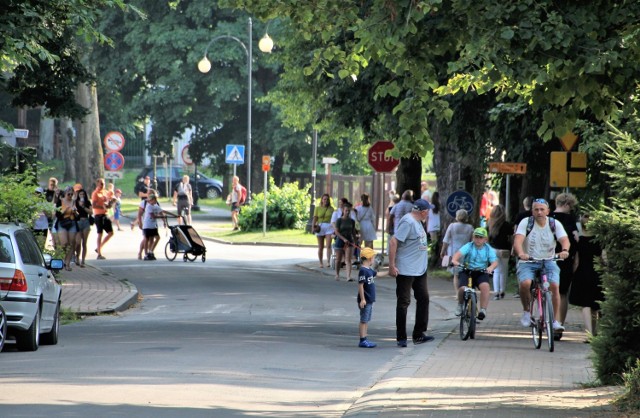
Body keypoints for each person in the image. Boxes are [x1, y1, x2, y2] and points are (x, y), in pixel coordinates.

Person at [512, 198, 570, 331]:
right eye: (536, 209)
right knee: (525, 283)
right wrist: (521, 253)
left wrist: (565, 250)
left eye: (542, 209)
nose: (539, 212)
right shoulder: (526, 222)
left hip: (549, 260)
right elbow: (518, 241)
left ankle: (554, 320)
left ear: (548, 211)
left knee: (555, 286)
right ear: (532, 211)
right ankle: (527, 312)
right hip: (528, 261)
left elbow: (564, 239)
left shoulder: (554, 223)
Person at [388, 198, 435, 347]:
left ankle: (419, 334)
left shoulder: (419, 222)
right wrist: (391, 265)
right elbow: (393, 242)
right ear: (423, 211)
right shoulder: (408, 222)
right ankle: (401, 337)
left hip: (419, 270)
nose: (428, 214)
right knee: (404, 302)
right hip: (406, 269)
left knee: (423, 299)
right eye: (428, 211)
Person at [569, 213, 605, 341]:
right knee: (595, 305)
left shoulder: (580, 240)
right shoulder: (599, 240)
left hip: (582, 272)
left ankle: (589, 333)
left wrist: (572, 274)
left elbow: (576, 261)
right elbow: (603, 259)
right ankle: (595, 332)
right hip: (597, 272)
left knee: (585, 304)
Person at [451, 227, 498, 320]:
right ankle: (460, 305)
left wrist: (490, 268)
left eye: (481, 237)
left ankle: (483, 310)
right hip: (467, 271)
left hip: (481, 271)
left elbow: (495, 262)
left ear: (485, 239)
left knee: (485, 287)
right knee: (462, 288)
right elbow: (456, 257)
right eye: (476, 237)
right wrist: (456, 262)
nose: (478, 239)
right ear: (473, 238)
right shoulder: (469, 246)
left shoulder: (488, 249)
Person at [551, 192, 580, 330]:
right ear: (567, 204)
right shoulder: (570, 219)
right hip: (566, 258)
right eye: (571, 206)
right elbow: (576, 239)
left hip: (547, 257)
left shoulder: (547, 217)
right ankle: (559, 324)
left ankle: (548, 319)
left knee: (549, 290)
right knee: (562, 293)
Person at [440, 209, 474, 291]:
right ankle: (465, 290)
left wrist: (442, 251)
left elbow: (446, 240)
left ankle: (458, 293)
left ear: (457, 216)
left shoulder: (452, 226)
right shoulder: (470, 228)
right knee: (465, 272)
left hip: (454, 252)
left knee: (456, 275)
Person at [488, 204, 512, 300]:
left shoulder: (490, 224)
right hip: (505, 250)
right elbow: (510, 238)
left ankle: (496, 292)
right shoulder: (507, 225)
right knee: (503, 271)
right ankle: (502, 290)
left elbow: (487, 239)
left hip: (494, 249)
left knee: (496, 271)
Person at [357, 247, 377, 348]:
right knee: (363, 320)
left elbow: (377, 275)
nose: (374, 259)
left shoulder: (369, 270)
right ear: (369, 258)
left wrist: (390, 272)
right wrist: (363, 299)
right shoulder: (363, 271)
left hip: (369, 300)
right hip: (366, 300)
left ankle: (365, 338)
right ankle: (362, 339)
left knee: (366, 320)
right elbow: (360, 285)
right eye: (373, 257)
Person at [56, 186, 78, 270]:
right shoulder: (60, 201)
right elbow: (58, 215)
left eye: (71, 193)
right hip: (62, 223)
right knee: (64, 243)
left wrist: (75, 212)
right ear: (65, 193)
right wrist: (66, 210)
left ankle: (67, 263)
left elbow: (77, 216)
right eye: (68, 193)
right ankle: (64, 258)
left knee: (71, 243)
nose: (70, 195)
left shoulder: (74, 202)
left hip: (72, 223)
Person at [91, 178, 114, 260]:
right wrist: (102, 206)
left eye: (103, 183)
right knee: (100, 233)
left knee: (111, 233)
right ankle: (99, 254)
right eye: (101, 183)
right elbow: (93, 205)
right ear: (97, 184)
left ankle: (99, 247)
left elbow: (108, 203)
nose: (102, 185)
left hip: (105, 214)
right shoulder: (95, 193)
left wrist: (111, 203)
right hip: (98, 215)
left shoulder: (105, 192)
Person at [334, 201, 357, 281]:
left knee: (348, 259)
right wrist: (343, 239)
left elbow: (353, 232)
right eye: (346, 210)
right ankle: (337, 274)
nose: (347, 212)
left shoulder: (352, 221)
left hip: (349, 240)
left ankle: (348, 276)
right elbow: (336, 232)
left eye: (349, 211)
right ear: (343, 210)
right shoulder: (339, 220)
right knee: (338, 259)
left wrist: (355, 241)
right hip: (340, 240)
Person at [312, 193, 335, 268]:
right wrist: (313, 227)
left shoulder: (331, 209)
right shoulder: (317, 208)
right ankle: (321, 262)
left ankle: (328, 261)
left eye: (327, 199)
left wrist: (334, 229)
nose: (326, 201)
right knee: (320, 247)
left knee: (328, 246)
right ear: (322, 200)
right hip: (320, 227)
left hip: (329, 227)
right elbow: (315, 218)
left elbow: (334, 219)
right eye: (324, 199)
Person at [142, 191, 165, 260]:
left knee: (157, 238)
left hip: (153, 225)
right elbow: (153, 216)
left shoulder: (156, 206)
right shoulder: (149, 206)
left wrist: (164, 220)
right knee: (147, 239)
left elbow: (162, 212)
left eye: (155, 199)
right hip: (147, 225)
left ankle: (151, 251)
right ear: (150, 200)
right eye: (153, 200)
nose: (155, 201)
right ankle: (146, 254)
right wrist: (159, 216)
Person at [74, 187, 93, 268]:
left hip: (86, 222)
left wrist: (84, 206)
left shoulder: (88, 202)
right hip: (78, 222)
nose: (82, 196)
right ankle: (77, 257)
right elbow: (73, 211)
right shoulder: (75, 202)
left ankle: (83, 260)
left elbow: (91, 212)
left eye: (83, 194)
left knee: (84, 242)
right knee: (78, 242)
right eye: (80, 194)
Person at [427, 191, 441, 268]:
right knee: (440, 243)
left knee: (434, 244)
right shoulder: (441, 206)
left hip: (432, 227)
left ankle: (433, 258)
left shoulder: (429, 206)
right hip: (439, 226)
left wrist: (426, 227)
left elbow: (427, 217)